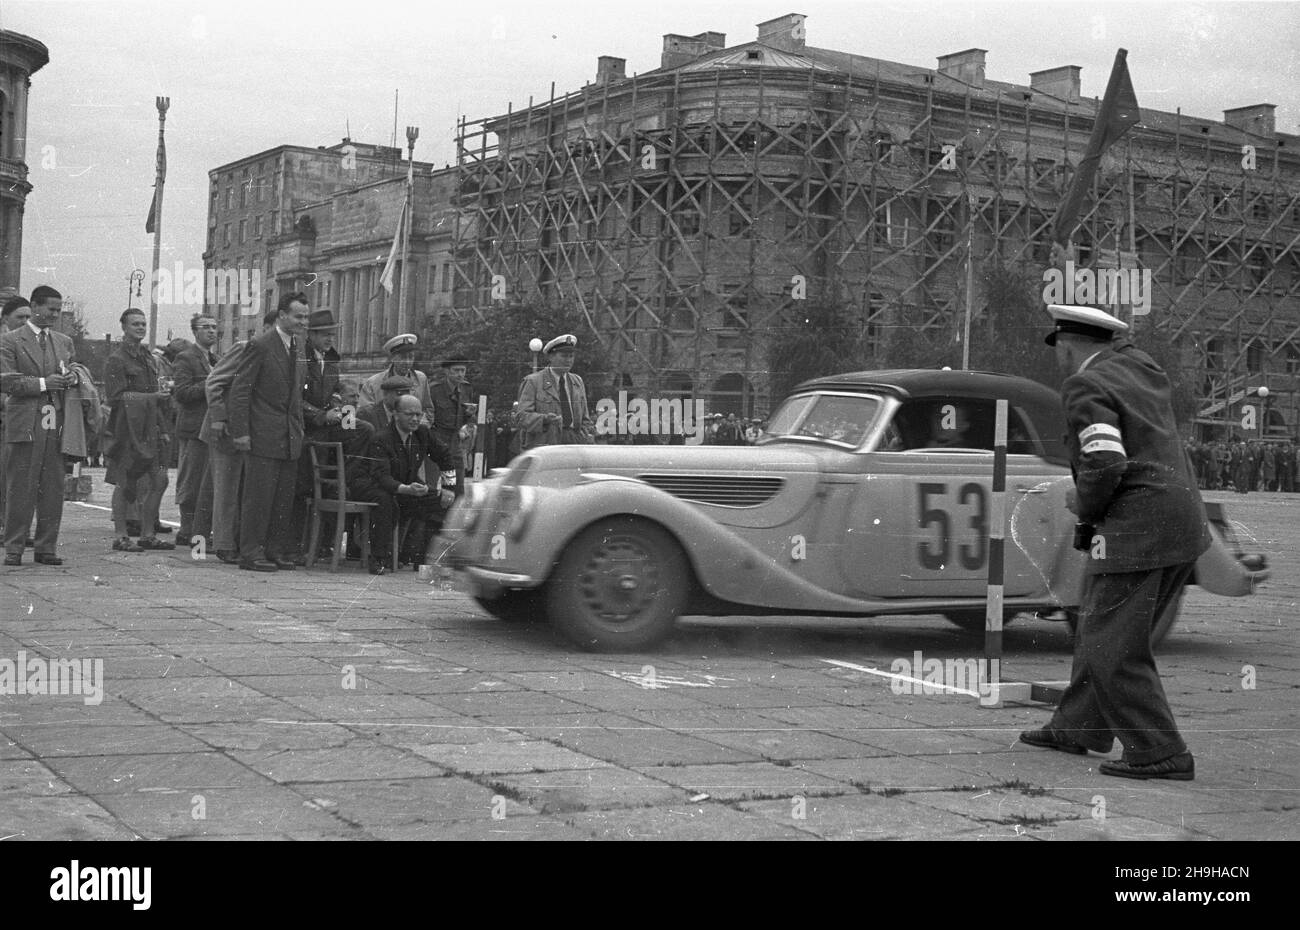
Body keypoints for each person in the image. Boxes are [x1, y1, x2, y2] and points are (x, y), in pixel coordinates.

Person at [1020, 304, 1207, 781]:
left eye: (1059, 350)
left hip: (1136, 528)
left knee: (1111, 645)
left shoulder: (1086, 385)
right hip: (1180, 520)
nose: (1058, 360)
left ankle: (1160, 750)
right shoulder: (1141, 370)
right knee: (1102, 628)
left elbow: (1104, 462)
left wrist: (1081, 503)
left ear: (1067, 346)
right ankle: (1079, 725)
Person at [227, 293, 309, 572]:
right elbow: (240, 390)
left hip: (288, 436)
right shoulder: (260, 345)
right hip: (262, 433)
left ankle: (274, 550)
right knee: (258, 497)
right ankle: (250, 552)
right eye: (298, 316)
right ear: (282, 315)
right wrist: (241, 432)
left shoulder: (298, 346)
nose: (303, 322)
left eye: (305, 317)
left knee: (282, 499)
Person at [1, 286, 77, 565]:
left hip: (55, 419)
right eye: (51, 309)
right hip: (25, 419)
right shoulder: (10, 341)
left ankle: (46, 547)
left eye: (59, 310)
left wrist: (73, 378)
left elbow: (74, 370)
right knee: (20, 485)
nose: (56, 315)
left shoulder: (64, 342)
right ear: (35, 306)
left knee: (53, 485)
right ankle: (14, 547)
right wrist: (45, 383)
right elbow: (6, 380)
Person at [291, 309, 373, 563]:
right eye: (325, 334)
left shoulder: (332, 360)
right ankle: (297, 547)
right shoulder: (301, 357)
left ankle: (343, 477)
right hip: (306, 426)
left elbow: (338, 394)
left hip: (327, 423)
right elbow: (295, 398)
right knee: (303, 487)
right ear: (311, 335)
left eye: (332, 334)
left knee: (364, 429)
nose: (330, 339)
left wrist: (344, 412)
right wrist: (320, 415)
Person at [350, 394, 456, 574]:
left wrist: (449, 488)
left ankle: (421, 559)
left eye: (418, 414)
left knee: (440, 501)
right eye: (409, 414)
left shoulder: (422, 433)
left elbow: (444, 455)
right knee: (385, 501)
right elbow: (381, 477)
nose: (415, 419)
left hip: (404, 486)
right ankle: (378, 559)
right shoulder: (381, 438)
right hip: (370, 485)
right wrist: (406, 489)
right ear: (395, 414)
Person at [103, 308, 175, 553]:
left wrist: (163, 428)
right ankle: (121, 536)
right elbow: (114, 397)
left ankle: (147, 533)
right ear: (124, 327)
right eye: (135, 324)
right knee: (125, 482)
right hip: (127, 429)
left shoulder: (147, 357)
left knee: (160, 479)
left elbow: (155, 398)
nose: (141, 328)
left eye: (143, 324)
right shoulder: (116, 359)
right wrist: (151, 396)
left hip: (151, 428)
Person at [171, 314, 219, 546]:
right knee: (191, 480)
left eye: (214, 327)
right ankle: (187, 529)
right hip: (193, 428)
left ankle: (198, 530)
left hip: (209, 429)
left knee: (204, 482)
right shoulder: (186, 357)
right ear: (195, 331)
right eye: (205, 327)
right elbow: (182, 392)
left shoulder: (216, 359)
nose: (211, 331)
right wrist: (210, 383)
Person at [515, 334, 593, 450]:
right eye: (564, 356)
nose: (568, 360)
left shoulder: (577, 382)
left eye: (571, 356)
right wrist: (545, 419)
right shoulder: (533, 382)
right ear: (551, 357)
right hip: (545, 445)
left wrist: (585, 436)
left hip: (575, 444)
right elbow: (522, 417)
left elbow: (585, 419)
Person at [428, 356, 475, 496]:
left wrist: (469, 415)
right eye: (456, 370)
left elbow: (465, 418)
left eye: (463, 370)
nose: (460, 374)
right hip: (437, 439)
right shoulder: (434, 390)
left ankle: (453, 516)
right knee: (433, 482)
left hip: (456, 441)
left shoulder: (466, 388)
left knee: (458, 484)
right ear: (447, 372)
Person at [359, 333, 434, 417]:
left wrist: (419, 425)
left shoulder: (421, 379)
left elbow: (428, 410)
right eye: (403, 357)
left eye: (411, 357)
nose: (407, 362)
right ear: (392, 358)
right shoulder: (373, 383)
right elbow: (364, 414)